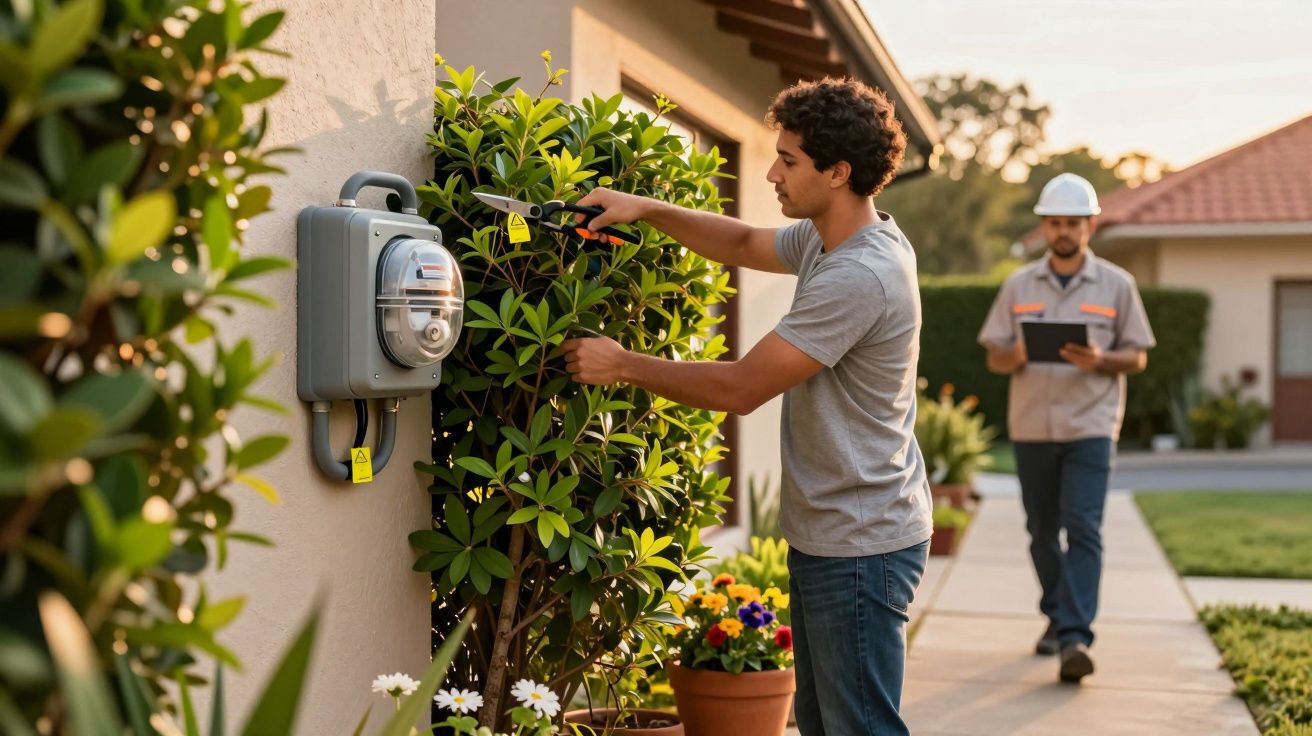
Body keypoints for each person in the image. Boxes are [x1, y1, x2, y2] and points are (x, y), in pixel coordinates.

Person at [560, 77, 932, 736]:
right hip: (841, 529)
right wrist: (643, 208)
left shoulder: (860, 275)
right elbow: (738, 244)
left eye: (789, 160)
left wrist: (622, 364)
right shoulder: (831, 238)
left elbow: (741, 388)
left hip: (861, 542)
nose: (771, 173)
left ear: (838, 173)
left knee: (860, 728)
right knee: (826, 725)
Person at [978, 173, 1156, 683]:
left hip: (1091, 426)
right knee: (1040, 531)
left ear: (1089, 226)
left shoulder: (1118, 285)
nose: (1063, 231)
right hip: (1032, 426)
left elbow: (1137, 358)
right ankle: (1058, 617)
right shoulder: (1017, 285)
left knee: (1082, 528)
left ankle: (1075, 636)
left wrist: (1102, 359)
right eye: (1054, 222)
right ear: (1043, 226)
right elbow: (995, 355)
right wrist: (1012, 355)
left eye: (1072, 223)